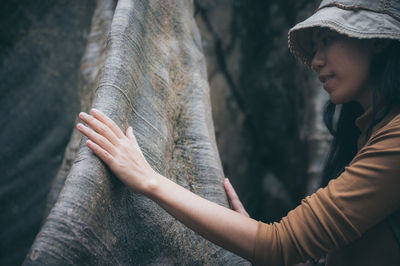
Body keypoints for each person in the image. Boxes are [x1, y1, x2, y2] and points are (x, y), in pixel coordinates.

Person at [76, 0, 400, 265]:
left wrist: (148, 179)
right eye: (313, 48)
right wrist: (248, 233)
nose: (315, 61)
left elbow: (281, 246)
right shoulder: (370, 130)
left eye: (327, 41)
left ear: (375, 40)